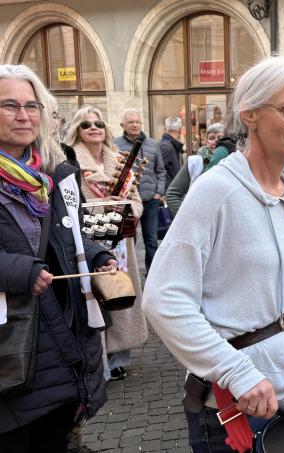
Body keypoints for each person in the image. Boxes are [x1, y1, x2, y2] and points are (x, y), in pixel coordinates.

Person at [141, 56, 284, 452]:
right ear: (250, 115)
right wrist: (236, 372)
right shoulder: (215, 191)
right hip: (239, 404)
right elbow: (163, 299)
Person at [0, 64, 115, 452]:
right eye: (10, 105)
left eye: (32, 105)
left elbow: (69, 236)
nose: (24, 115)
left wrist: (97, 254)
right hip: (12, 343)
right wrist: (17, 270)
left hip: (63, 330)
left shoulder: (53, 172)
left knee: (56, 429)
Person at [66, 105, 148, 381]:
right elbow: (69, 204)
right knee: (95, 297)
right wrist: (103, 206)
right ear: (77, 130)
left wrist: (125, 208)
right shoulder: (70, 163)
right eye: (86, 124)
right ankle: (96, 358)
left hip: (120, 242)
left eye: (98, 124)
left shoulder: (120, 162)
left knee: (120, 294)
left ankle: (118, 357)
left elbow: (136, 203)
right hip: (89, 241)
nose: (93, 128)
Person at [113, 108, 166, 272]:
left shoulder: (153, 144)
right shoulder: (115, 145)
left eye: (137, 122)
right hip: (127, 202)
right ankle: (129, 272)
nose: (135, 125)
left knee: (150, 239)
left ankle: (153, 273)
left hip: (150, 200)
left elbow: (161, 171)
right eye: (131, 122)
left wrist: (159, 192)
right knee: (129, 240)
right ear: (123, 124)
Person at [165, 122, 225, 215]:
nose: (216, 141)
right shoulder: (195, 163)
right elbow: (172, 195)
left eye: (220, 138)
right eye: (212, 138)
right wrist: (188, 219)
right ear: (206, 141)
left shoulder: (234, 162)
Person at [160, 116, 183, 187]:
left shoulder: (170, 145)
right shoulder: (166, 147)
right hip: (166, 193)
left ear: (165, 129)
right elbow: (157, 170)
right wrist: (160, 192)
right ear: (180, 130)